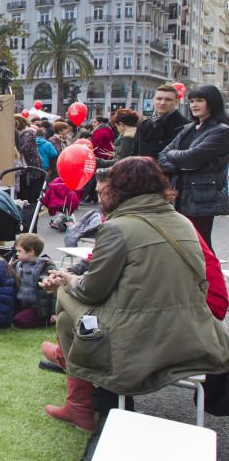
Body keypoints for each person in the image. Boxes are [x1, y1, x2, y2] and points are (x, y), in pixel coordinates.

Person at [39, 157, 229, 432]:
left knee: (66, 303)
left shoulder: (118, 227)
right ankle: (72, 383)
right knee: (75, 308)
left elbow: (92, 291)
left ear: (117, 188)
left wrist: (67, 279)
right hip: (193, 332)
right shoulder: (182, 221)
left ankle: (79, 403)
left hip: (139, 341)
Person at [158, 85, 229, 249]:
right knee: (183, 244)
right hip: (180, 194)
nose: (194, 105)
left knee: (200, 245)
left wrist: (179, 159)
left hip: (202, 197)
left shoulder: (221, 131)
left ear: (211, 103)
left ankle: (210, 275)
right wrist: (180, 164)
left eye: (199, 101)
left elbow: (191, 159)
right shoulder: (189, 128)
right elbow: (162, 156)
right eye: (191, 101)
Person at [10, 233, 57, 328]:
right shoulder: (17, 264)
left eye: (19, 251)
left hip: (37, 307)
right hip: (21, 302)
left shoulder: (46, 267)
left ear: (30, 252)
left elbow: (54, 293)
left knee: (19, 321)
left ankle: (46, 320)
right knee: (6, 316)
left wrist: (54, 313)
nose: (16, 253)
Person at [133, 84, 189, 160]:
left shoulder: (185, 126)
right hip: (144, 170)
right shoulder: (144, 124)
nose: (162, 102)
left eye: (168, 99)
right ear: (153, 100)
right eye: (159, 99)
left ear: (176, 102)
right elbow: (135, 153)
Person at [95, 108, 140, 180]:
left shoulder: (128, 137)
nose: (117, 129)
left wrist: (97, 161)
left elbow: (121, 164)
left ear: (121, 124)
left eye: (116, 126)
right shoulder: (137, 132)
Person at [14, 115, 43, 205]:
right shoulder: (26, 132)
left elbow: (24, 148)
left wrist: (15, 149)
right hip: (30, 164)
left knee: (30, 190)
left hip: (31, 165)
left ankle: (31, 207)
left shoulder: (28, 132)